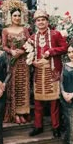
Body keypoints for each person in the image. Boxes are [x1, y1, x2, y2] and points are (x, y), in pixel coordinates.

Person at [28, 9, 68, 137]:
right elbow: (27, 52)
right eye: (38, 20)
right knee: (38, 101)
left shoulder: (56, 34)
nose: (41, 22)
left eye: (43, 20)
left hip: (52, 70)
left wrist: (51, 51)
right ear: (35, 23)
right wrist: (32, 62)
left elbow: (65, 48)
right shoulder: (33, 37)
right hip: (39, 71)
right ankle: (38, 126)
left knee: (54, 101)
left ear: (47, 21)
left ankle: (56, 127)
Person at [1, 0, 30, 124]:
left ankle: (22, 112)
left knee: (23, 86)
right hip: (12, 61)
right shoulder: (5, 30)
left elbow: (30, 44)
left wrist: (22, 51)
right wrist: (12, 51)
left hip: (23, 62)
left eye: (19, 15)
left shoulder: (25, 30)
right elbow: (3, 46)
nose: (17, 18)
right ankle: (14, 113)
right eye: (15, 16)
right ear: (10, 17)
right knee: (13, 87)